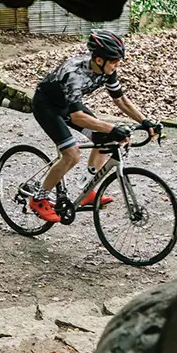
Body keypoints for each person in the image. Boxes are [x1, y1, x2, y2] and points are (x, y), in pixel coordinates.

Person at [30, 29, 160, 222]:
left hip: (69, 106)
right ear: (99, 60)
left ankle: (87, 190)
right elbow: (77, 117)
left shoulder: (107, 69)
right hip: (47, 106)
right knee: (72, 155)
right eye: (114, 61)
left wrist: (144, 121)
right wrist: (112, 128)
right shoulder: (74, 74)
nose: (117, 65)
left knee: (106, 140)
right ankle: (38, 199)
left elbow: (120, 99)